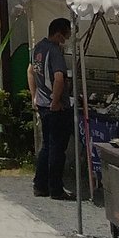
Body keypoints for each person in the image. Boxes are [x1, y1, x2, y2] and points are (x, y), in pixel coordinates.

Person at [31, 16, 74, 200]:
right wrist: (56, 101)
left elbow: (30, 71)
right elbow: (59, 78)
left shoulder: (38, 48)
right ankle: (55, 188)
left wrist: (34, 95)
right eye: (67, 34)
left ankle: (40, 185)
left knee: (47, 147)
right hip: (55, 106)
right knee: (57, 148)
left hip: (42, 103)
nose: (68, 38)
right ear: (59, 34)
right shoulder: (54, 51)